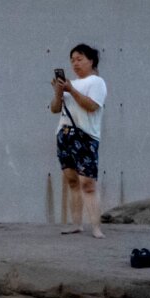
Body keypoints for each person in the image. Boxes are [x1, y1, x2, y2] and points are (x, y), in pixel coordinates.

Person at [49, 43, 107, 238]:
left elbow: (91, 106)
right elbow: (55, 109)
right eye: (72, 60)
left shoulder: (96, 82)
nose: (75, 63)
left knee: (88, 182)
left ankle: (96, 227)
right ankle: (76, 224)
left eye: (80, 59)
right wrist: (59, 91)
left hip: (85, 136)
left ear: (91, 61)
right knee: (72, 181)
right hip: (65, 134)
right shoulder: (69, 84)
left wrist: (71, 90)